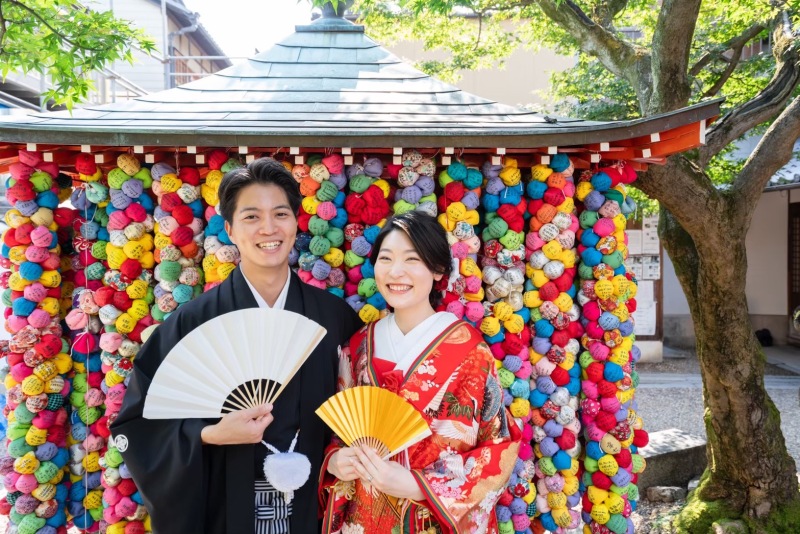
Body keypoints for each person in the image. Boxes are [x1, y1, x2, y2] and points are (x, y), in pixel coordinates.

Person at [112, 157, 362, 534]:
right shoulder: (192, 322)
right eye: (250, 217)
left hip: (314, 507)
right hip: (225, 512)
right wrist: (208, 434)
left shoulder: (333, 319)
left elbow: (361, 409)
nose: (268, 228)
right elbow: (138, 426)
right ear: (228, 230)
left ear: (297, 223)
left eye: (280, 214)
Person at [320, 211, 521, 533]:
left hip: (430, 517)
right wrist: (335, 460)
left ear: (438, 269)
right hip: (364, 515)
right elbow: (337, 431)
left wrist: (420, 486)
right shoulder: (358, 345)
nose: (395, 272)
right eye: (385, 259)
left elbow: (498, 447)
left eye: (412, 260)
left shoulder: (470, 350)